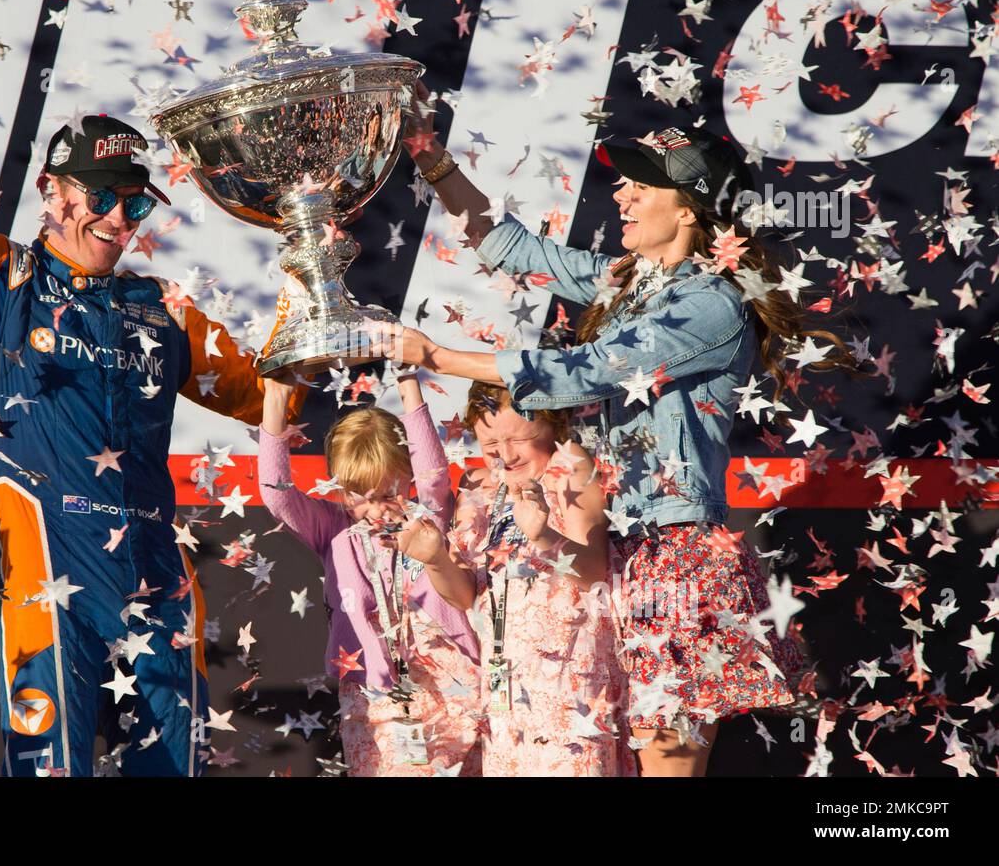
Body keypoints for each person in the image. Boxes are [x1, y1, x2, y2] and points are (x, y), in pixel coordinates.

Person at [0, 0, 303, 776]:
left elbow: (275, 396)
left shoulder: (162, 308)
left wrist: (325, 320)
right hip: (50, 590)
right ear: (52, 193)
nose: (118, 219)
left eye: (135, 203)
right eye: (102, 197)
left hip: (159, 589)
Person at [389, 84, 850, 775]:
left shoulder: (711, 304)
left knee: (667, 768)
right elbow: (513, 248)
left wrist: (439, 357)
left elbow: (588, 369)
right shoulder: (630, 283)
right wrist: (429, 157)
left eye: (642, 186)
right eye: (625, 182)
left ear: (690, 209)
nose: (620, 195)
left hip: (680, 558)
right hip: (623, 552)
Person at [258, 371, 482, 776]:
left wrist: (408, 382)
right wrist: (275, 402)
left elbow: (433, 476)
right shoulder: (334, 529)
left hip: (452, 684)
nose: (378, 509)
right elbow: (277, 497)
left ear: (408, 476)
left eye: (390, 493)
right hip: (373, 694)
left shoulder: (426, 517)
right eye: (362, 497)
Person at [451, 383, 637, 777]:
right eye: (489, 444)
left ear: (553, 423)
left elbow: (594, 571)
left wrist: (544, 538)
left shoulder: (568, 465)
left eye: (519, 438)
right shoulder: (477, 485)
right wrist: (435, 558)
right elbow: (464, 594)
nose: (505, 454)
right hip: (503, 682)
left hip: (567, 680)